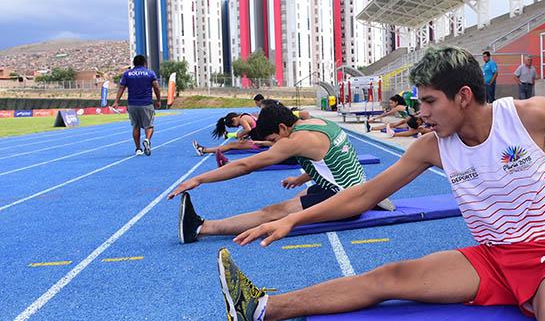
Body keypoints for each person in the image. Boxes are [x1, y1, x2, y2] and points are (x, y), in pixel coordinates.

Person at [213, 46, 545, 321]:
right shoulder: (431, 147)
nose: (421, 111)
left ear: (464, 96)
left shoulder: (525, 116)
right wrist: (294, 217)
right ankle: (264, 308)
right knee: (389, 278)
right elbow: (363, 195)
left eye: (429, 101)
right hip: (494, 257)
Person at [169, 103, 394, 244]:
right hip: (354, 187)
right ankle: (372, 201)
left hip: (344, 198)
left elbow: (245, 166)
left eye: (273, 140)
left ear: (283, 128)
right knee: (297, 198)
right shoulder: (317, 123)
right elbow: (333, 161)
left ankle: (200, 227)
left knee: (274, 212)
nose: (273, 146)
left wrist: (199, 178)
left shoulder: (296, 140)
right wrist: (300, 178)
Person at [113, 55, 162, 156]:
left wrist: (116, 101)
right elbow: (156, 87)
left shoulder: (127, 74)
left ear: (134, 63)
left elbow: (121, 88)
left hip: (132, 104)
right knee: (149, 126)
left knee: (136, 126)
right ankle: (147, 140)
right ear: (145, 63)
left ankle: (138, 149)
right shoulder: (150, 73)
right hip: (146, 103)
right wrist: (158, 100)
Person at [192, 112, 272, 157]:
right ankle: (203, 149)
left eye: (235, 125)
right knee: (233, 144)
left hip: (259, 143)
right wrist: (245, 136)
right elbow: (253, 128)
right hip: (260, 139)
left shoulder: (242, 119)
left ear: (234, 119)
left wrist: (239, 135)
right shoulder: (246, 115)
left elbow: (248, 129)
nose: (237, 126)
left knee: (230, 145)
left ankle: (203, 150)